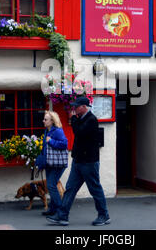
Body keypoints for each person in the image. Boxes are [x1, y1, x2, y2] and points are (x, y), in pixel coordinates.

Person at [46, 97, 110, 226]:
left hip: (89, 162)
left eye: (76, 106)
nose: (74, 108)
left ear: (84, 107)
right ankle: (62, 215)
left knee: (95, 189)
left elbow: (79, 132)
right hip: (79, 160)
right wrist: (75, 119)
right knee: (70, 188)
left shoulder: (91, 119)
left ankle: (104, 215)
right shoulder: (82, 119)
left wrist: (73, 119)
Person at [40, 110, 68, 216]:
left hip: (57, 163)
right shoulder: (47, 131)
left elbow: (64, 144)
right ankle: (53, 209)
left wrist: (51, 141)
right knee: (51, 185)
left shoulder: (57, 131)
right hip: (49, 163)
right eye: (44, 119)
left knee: (51, 185)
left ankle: (60, 210)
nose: (43, 121)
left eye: (46, 119)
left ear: (52, 121)